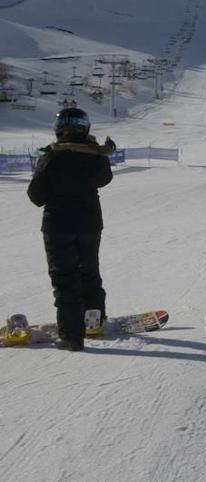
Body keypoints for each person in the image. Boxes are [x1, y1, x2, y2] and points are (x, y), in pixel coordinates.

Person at [26, 107, 116, 351]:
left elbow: (36, 195)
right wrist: (98, 152)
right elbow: (104, 179)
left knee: (65, 278)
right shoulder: (95, 155)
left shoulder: (53, 156)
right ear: (84, 128)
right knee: (89, 272)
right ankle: (93, 322)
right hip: (89, 224)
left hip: (59, 225)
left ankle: (72, 336)